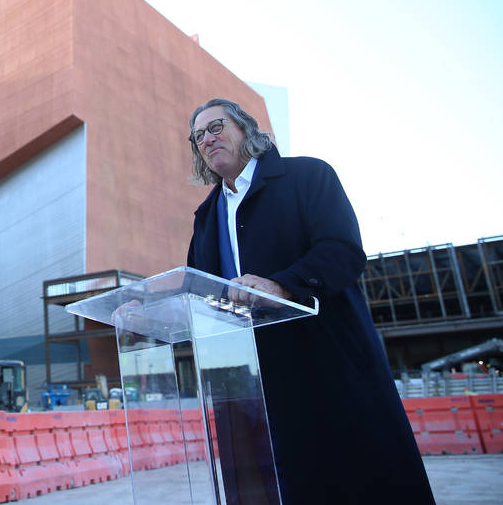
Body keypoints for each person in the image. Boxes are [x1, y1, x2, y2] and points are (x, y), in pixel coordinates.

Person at [185, 98, 434, 504]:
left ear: (247, 130)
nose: (207, 139)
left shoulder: (308, 176)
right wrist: (142, 308)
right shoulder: (206, 215)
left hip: (328, 362)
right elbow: (198, 285)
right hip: (253, 385)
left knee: (364, 480)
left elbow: (343, 250)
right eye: (198, 136)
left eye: (216, 127)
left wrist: (282, 286)